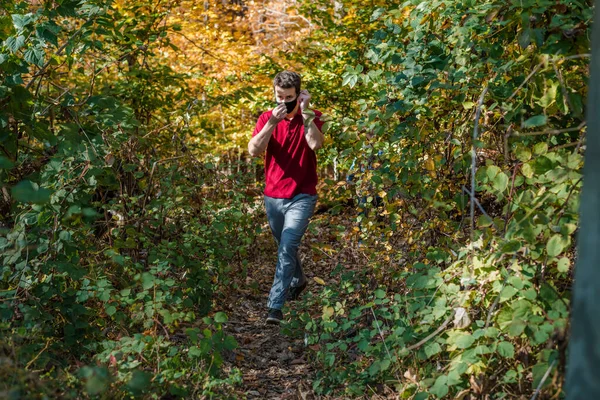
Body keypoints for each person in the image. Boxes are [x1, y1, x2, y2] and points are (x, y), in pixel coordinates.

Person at [247, 71, 325, 324]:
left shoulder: (311, 117)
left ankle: (275, 307)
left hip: (302, 195)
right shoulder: (266, 118)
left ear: (298, 95)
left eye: (289, 97)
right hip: (273, 196)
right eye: (279, 96)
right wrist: (271, 123)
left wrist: (305, 114)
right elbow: (253, 150)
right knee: (285, 246)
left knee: (287, 246)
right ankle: (299, 280)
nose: (283, 102)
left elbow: (316, 145)